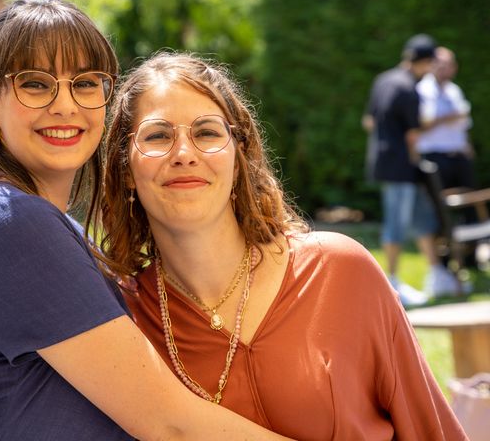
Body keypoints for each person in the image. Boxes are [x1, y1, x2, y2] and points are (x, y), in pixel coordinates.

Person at [0, 0, 291, 441]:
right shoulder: (4, 222)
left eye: (85, 83)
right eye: (36, 84)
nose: (65, 105)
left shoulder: (48, 226)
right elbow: (170, 424)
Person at [99, 52, 467, 440]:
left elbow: (430, 428)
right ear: (125, 168)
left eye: (207, 132)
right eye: (158, 135)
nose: (185, 154)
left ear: (237, 157)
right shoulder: (123, 319)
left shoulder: (339, 272)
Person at [362, 34, 459, 305]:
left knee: (422, 219)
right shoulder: (409, 88)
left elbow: (368, 122)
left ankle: (436, 275)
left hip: (385, 162)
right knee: (396, 224)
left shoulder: (383, 80)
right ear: (426, 62)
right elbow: (413, 134)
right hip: (402, 166)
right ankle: (391, 283)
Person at [416, 46, 474, 190]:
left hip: (458, 154)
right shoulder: (422, 90)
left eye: (449, 65)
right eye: (441, 65)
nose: (445, 69)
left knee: (470, 201)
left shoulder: (454, 90)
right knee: (441, 207)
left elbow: (462, 123)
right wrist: (447, 118)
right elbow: (420, 125)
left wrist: (468, 146)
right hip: (435, 156)